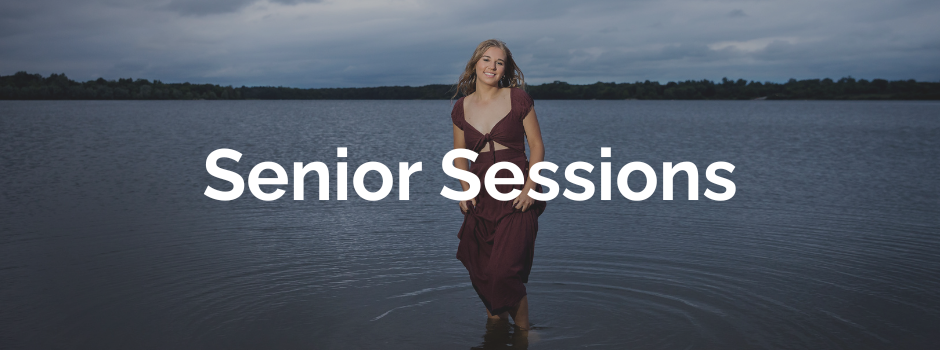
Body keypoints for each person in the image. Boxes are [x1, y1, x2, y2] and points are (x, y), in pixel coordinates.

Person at [450, 39, 546, 331]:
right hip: (481, 198)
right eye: (487, 59)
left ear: (505, 69)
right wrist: (465, 190)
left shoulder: (518, 99)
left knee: (503, 272)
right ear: (475, 64)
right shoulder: (460, 108)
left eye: (499, 62)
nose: (492, 66)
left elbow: (538, 147)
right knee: (482, 271)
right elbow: (459, 156)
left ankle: (524, 334)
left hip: (518, 195)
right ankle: (495, 328)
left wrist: (530, 189)